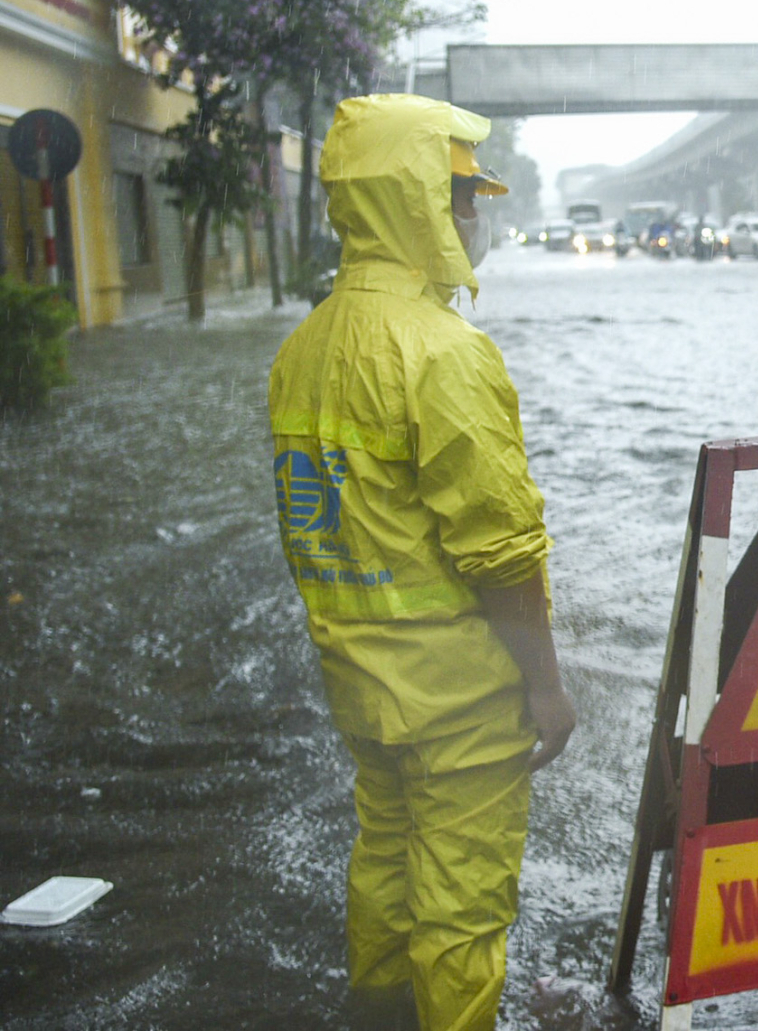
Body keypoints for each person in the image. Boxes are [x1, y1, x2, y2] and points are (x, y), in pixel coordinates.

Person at [269, 94, 575, 1031]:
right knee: (462, 922)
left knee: (386, 865)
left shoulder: (302, 348)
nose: (476, 217)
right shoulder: (444, 353)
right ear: (420, 204)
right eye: (464, 197)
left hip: (362, 686)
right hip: (460, 702)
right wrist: (547, 687)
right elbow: (502, 550)